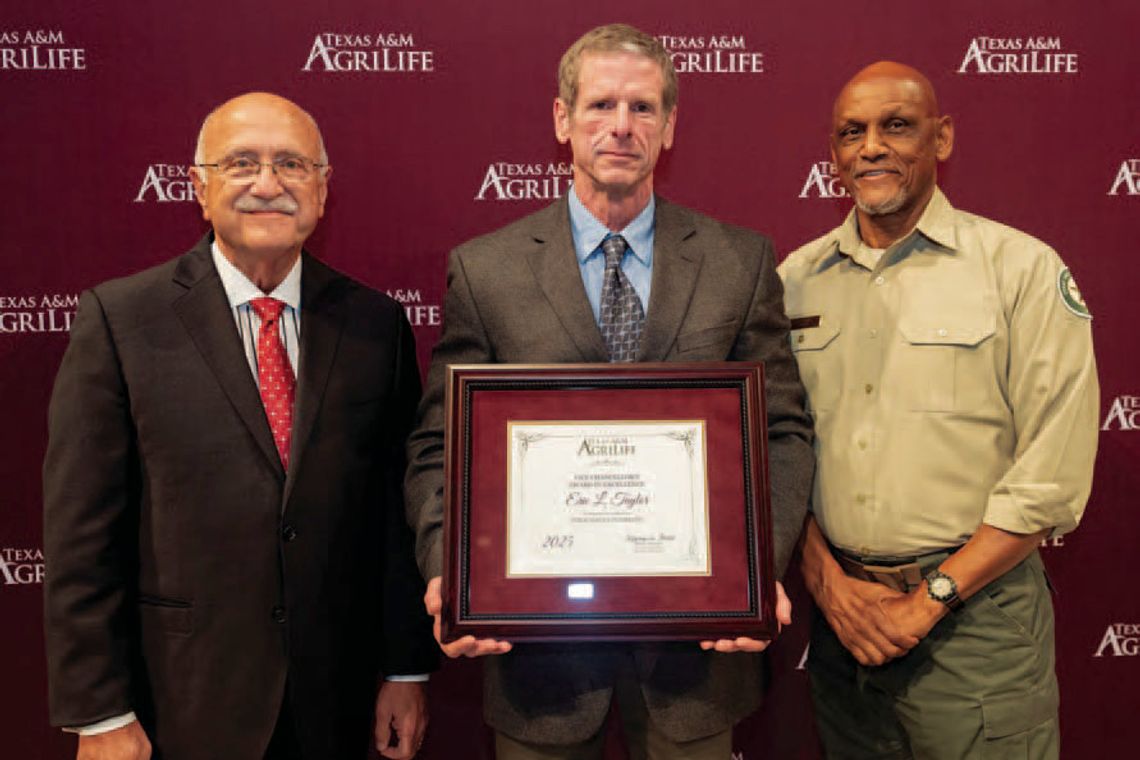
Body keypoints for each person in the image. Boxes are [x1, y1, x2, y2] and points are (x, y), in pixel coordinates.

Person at [404, 24, 814, 759]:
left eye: (643, 108)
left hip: (700, 657)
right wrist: (450, 571)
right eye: (599, 105)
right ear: (562, 120)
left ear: (670, 126)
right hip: (539, 663)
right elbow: (442, 443)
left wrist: (757, 568)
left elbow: (781, 434)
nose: (620, 126)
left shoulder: (738, 261)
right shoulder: (486, 269)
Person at [43, 92, 437, 760]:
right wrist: (98, 710)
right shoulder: (121, 320)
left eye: (291, 164)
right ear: (199, 186)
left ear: (322, 189)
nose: (268, 184)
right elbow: (82, 534)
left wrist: (404, 669)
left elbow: (394, 521)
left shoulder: (376, 326)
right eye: (241, 163)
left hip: (332, 705)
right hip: (178, 705)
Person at [779, 62, 1099, 759]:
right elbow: (777, 452)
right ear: (832, 153)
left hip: (977, 625)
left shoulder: (1022, 270)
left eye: (896, 125)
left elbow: (1052, 472)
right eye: (850, 132)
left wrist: (930, 600)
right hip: (846, 628)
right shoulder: (792, 282)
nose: (870, 147)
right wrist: (828, 586)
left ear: (942, 137)